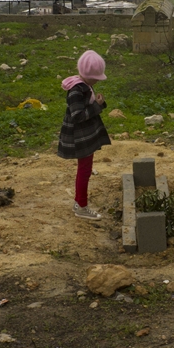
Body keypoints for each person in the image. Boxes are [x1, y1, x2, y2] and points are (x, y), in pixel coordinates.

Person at [57, 50, 111, 220]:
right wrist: (97, 106)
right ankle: (81, 206)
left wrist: (98, 104)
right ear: (87, 75)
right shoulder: (76, 90)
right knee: (84, 170)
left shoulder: (84, 85)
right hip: (80, 137)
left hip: (85, 135)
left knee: (86, 169)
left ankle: (79, 202)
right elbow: (78, 115)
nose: (97, 80)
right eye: (96, 77)